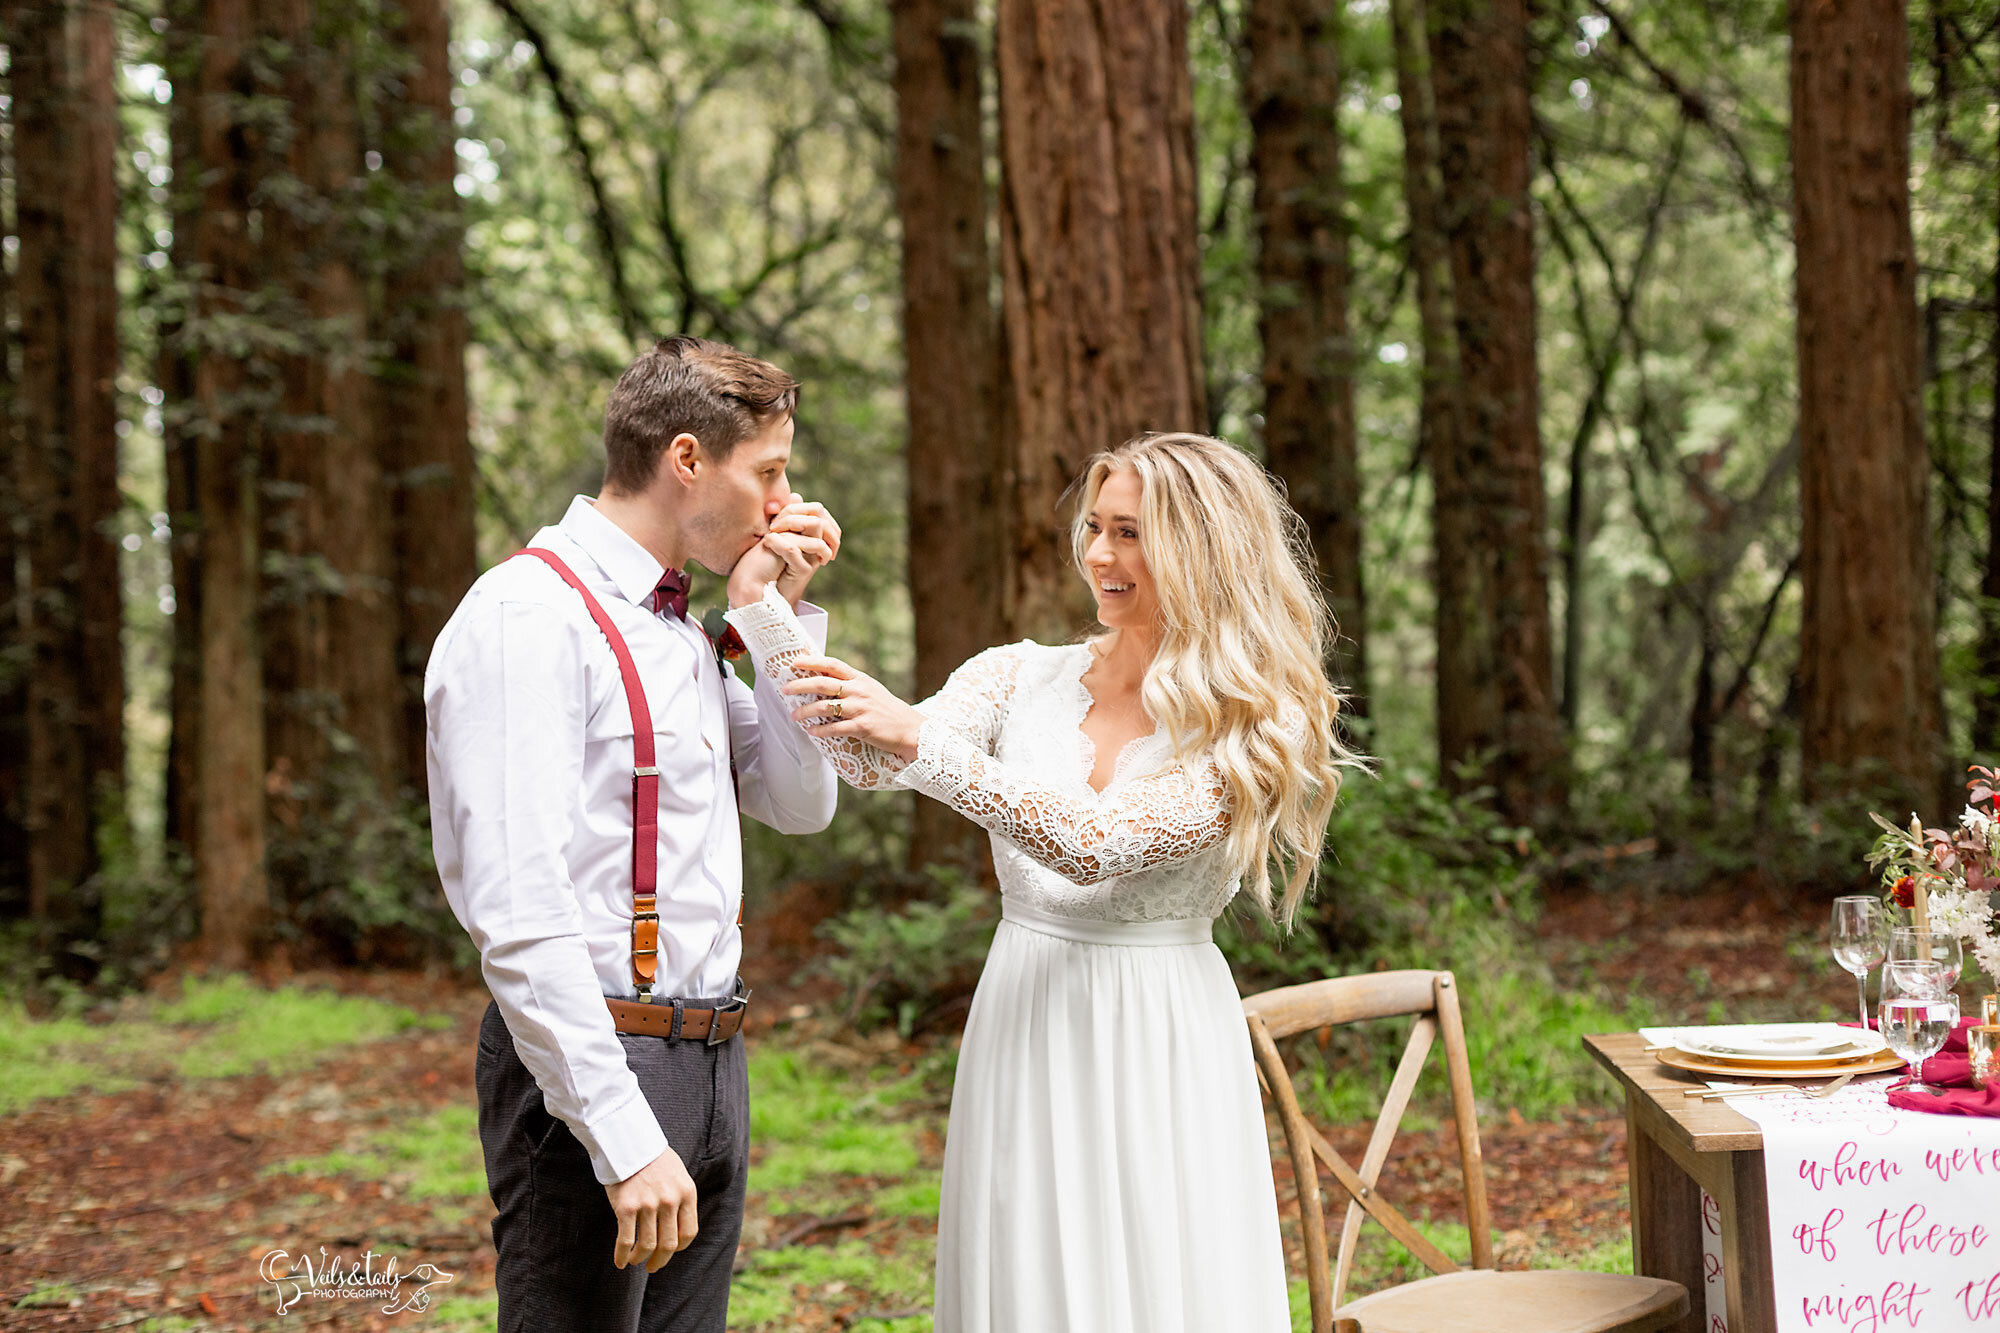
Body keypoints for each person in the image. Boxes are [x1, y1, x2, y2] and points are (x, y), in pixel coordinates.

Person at [724, 431, 1362, 1332]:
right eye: (1096, 527)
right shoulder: (1017, 675)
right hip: (1026, 1010)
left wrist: (923, 742)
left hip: (1161, 1027)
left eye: (1132, 532)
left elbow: (1096, 845)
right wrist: (764, 611)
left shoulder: (1258, 721)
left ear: (1205, 548)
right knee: (1029, 1265)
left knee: (1158, 1268)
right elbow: (868, 761)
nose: (1100, 554)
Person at [425, 335, 843, 1333]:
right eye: (771, 474)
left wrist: (774, 616)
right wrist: (620, 1131)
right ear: (687, 459)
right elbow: (518, 913)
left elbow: (800, 798)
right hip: (595, 1066)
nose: (785, 506)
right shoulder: (528, 615)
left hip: (713, 1064)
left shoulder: (682, 632)